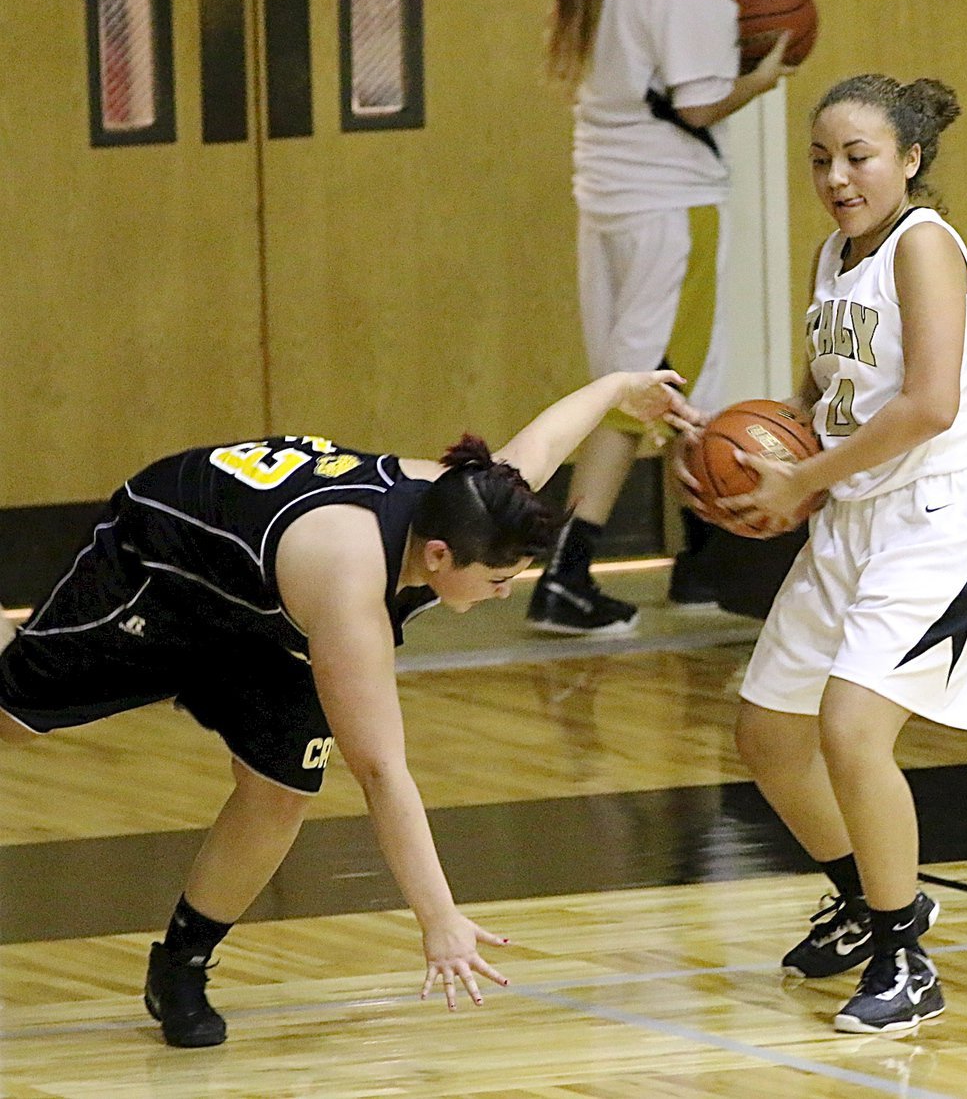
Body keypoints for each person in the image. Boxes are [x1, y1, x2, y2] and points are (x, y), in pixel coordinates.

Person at [0, 369, 690, 1049]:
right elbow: (382, 771)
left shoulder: (476, 501)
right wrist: (439, 919)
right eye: (499, 581)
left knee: (280, 789)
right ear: (442, 555)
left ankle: (181, 967)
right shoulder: (352, 584)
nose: (506, 594)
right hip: (164, 564)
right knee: (11, 717)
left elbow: (538, 448)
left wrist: (621, 388)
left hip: (271, 606)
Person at [695, 75, 967, 1033]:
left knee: (849, 731)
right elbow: (829, 384)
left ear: (910, 160)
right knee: (767, 732)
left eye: (859, 157)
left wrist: (806, 479)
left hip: (941, 514)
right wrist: (748, 446)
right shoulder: (835, 253)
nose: (837, 177)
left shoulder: (924, 246)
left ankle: (904, 958)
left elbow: (929, 404)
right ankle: (866, 897)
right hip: (856, 510)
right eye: (820, 159)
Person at [527, 0, 796, 635]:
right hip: (670, 204)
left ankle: (701, 565)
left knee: (648, 383)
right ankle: (567, 572)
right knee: (655, 382)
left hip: (610, 198)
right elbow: (699, 106)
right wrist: (762, 78)